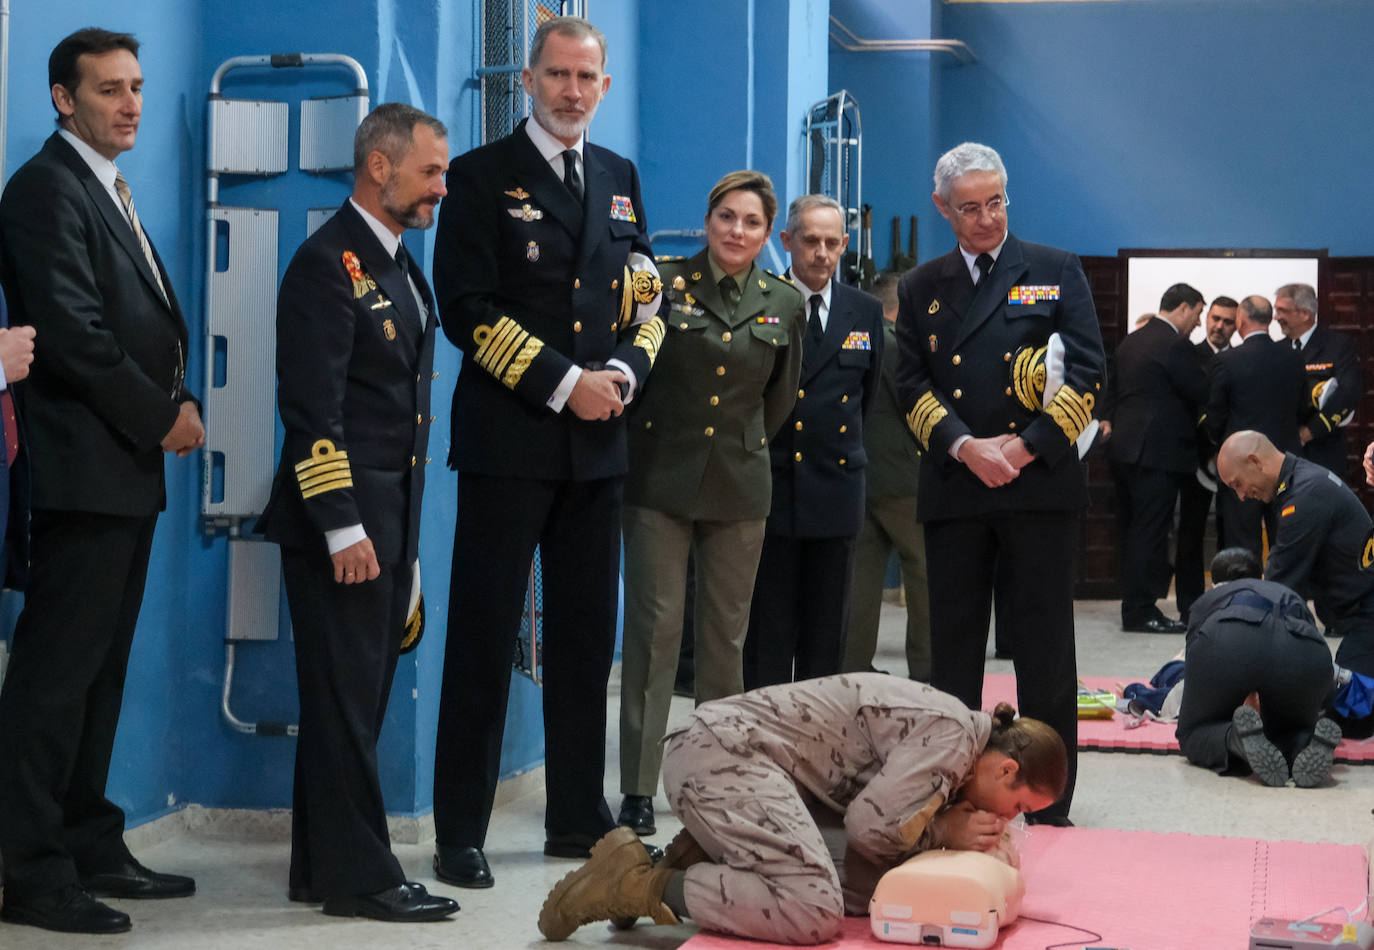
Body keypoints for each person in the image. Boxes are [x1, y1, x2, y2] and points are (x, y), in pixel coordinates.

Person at [430, 15, 665, 887]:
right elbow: (468, 309)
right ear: (527, 80)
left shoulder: (619, 177)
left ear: (605, 87)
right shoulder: (479, 177)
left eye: (587, 78)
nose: (572, 91)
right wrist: (570, 382)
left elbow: (649, 300)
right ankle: (461, 826)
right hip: (510, 444)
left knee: (584, 641)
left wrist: (626, 377)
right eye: (558, 75)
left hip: (600, 450)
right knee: (484, 638)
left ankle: (576, 814)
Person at [0, 28, 203, 935]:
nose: (130, 104)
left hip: (121, 470)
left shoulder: (106, 186)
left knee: (99, 678)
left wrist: (178, 391)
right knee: (53, 682)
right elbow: (76, 333)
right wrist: (162, 416)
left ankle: (87, 838)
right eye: (109, 89)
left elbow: (142, 318)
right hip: (80, 470)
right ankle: (30, 868)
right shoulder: (46, 188)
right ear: (61, 97)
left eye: (137, 86)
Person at [255, 104, 457, 923]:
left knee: (355, 702)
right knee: (343, 702)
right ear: (380, 167)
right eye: (431, 172)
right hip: (343, 525)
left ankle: (321, 867)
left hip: (388, 521)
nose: (441, 187)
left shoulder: (401, 265)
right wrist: (343, 525)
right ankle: (365, 877)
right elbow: (313, 410)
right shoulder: (324, 263)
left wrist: (396, 538)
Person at [894, 141, 1105, 825]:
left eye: (996, 203)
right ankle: (949, 790)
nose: (986, 219)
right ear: (942, 209)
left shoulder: (1052, 269)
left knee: (1045, 648)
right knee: (951, 650)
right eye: (970, 209)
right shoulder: (921, 286)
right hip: (957, 487)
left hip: (1037, 487)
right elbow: (910, 383)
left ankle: (1048, 798)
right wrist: (961, 444)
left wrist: (1024, 446)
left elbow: (1088, 374)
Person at [540, 674, 1066, 944]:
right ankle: (638, 883)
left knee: (864, 888)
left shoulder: (959, 739)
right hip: (721, 753)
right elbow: (870, 827)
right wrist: (944, 833)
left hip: (747, 763)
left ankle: (694, 855)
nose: (1011, 819)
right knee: (812, 910)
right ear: (1004, 769)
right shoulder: (953, 737)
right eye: (1019, 806)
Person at [617, 170, 804, 837]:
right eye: (726, 216)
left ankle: (714, 778)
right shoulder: (663, 287)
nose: (736, 231)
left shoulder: (785, 303)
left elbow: (777, 402)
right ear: (707, 220)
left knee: (725, 642)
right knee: (655, 632)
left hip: (739, 486)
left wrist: (740, 448)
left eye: (751, 222)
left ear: (765, 234)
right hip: (658, 481)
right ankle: (638, 788)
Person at [743, 194, 883, 688]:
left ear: (844, 245)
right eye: (810, 241)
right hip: (773, 491)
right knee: (769, 636)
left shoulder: (864, 312)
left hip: (836, 491)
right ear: (786, 241)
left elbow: (863, 400)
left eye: (831, 243)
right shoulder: (760, 299)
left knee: (828, 640)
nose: (821, 253)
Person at [1175, 547, 1340, 787]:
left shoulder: (1206, 602)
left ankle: (1235, 740)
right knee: (1291, 725)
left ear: (1214, 583)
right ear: (1261, 577)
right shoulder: (1285, 591)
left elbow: (1197, 672)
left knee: (1193, 733)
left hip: (1229, 638)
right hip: (1306, 647)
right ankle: (1305, 741)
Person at [1217, 430, 1374, 678]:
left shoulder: (1303, 497)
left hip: (1367, 619)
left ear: (1255, 462)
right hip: (1358, 616)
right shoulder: (1300, 481)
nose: (1242, 495)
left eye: (1237, 484)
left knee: (1346, 706)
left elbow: (1278, 589)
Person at [1100, 283, 1207, 633]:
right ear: (1184, 307)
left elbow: (1112, 389)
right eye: (1199, 313)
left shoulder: (1134, 340)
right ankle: (1141, 611)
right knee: (1150, 533)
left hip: (1125, 449)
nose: (1199, 323)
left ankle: (1135, 606)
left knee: (1135, 532)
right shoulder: (1175, 344)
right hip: (1158, 453)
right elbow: (1199, 390)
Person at [842, 271, 931, 680]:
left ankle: (853, 666)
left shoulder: (853, 336)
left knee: (862, 579)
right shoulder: (896, 345)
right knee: (926, 577)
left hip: (861, 477)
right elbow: (918, 408)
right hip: (905, 479)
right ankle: (928, 672)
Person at [1204, 295, 1306, 554]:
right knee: (1285, 541)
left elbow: (1215, 417)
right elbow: (1304, 408)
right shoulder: (1293, 358)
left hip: (1241, 467)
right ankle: (1286, 595)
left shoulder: (1227, 361)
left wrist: (1221, 446)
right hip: (1286, 462)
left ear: (1240, 320)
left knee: (1242, 542)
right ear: (1269, 319)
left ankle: (1247, 593)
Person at [1175, 295, 1238, 622]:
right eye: (1215, 318)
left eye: (1228, 321)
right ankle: (1189, 607)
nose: (1219, 326)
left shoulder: (1241, 360)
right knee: (1190, 533)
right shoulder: (1188, 354)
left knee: (1231, 533)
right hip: (1194, 458)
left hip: (1235, 463)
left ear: (1237, 324)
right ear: (1207, 318)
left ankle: (1229, 603)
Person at [1275, 282, 1361, 480]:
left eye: (1282, 311)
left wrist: (1310, 431)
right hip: (1282, 454)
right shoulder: (1276, 349)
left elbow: (1348, 393)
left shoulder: (1337, 345)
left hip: (1324, 451)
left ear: (1305, 314)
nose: (1276, 317)